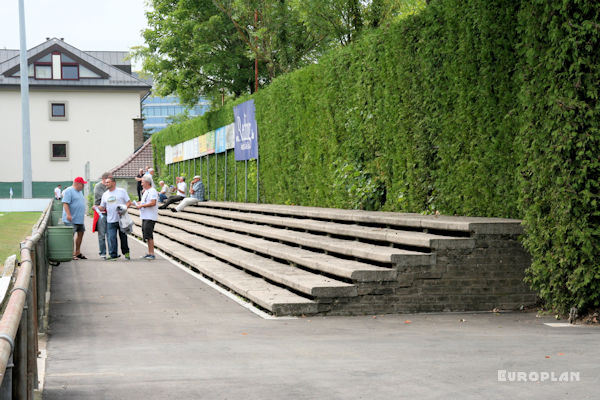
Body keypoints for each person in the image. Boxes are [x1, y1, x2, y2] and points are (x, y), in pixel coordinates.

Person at [99, 176, 132, 260]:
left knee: (123, 237)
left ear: (113, 183)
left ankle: (126, 253)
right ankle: (113, 255)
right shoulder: (105, 194)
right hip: (111, 220)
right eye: (105, 182)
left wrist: (124, 208)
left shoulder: (121, 191)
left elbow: (129, 202)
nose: (106, 184)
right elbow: (103, 207)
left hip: (122, 219)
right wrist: (97, 207)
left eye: (108, 182)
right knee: (111, 238)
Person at [62, 177, 87, 260]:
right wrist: (68, 215)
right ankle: (71, 253)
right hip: (71, 219)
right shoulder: (69, 190)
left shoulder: (80, 191)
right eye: (82, 184)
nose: (83, 186)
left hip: (79, 218)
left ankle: (77, 252)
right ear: (77, 183)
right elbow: (65, 203)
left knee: (81, 233)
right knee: (70, 236)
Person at [134, 175, 158, 259]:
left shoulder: (152, 191)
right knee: (146, 235)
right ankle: (149, 252)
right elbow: (144, 201)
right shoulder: (146, 191)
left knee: (149, 235)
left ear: (147, 182)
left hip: (150, 217)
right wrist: (137, 203)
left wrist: (142, 205)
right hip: (145, 216)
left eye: (142, 182)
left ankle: (152, 253)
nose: (141, 184)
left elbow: (153, 202)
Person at [93, 173, 110, 259]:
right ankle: (102, 253)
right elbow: (106, 198)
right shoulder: (98, 186)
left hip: (110, 212)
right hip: (101, 212)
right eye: (109, 179)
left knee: (110, 234)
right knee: (102, 234)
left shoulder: (110, 187)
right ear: (104, 179)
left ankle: (112, 253)